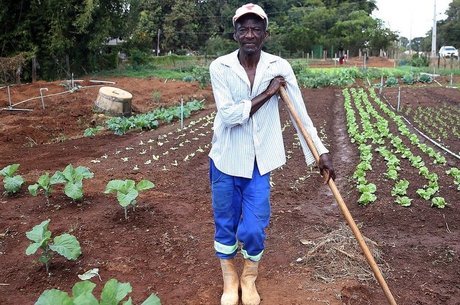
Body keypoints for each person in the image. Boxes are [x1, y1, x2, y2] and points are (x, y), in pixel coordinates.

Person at [208, 3, 336, 305]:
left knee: (254, 226)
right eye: (243, 28)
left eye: (256, 29)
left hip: (259, 162)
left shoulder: (279, 66)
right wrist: (268, 93)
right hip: (225, 158)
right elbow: (229, 115)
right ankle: (230, 279)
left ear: (265, 34)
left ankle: (249, 278)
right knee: (225, 222)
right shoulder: (220, 67)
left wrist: (321, 153)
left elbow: (300, 114)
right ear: (235, 33)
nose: (249, 34)